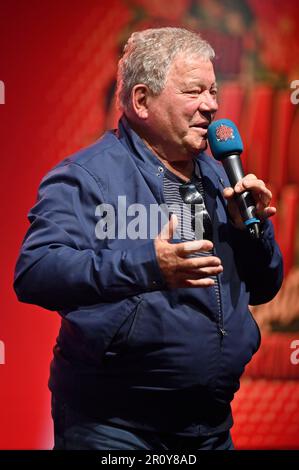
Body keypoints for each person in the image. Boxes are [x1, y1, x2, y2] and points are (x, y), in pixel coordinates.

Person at [14, 27, 283, 450]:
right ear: (142, 101)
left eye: (213, 92)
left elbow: (266, 288)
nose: (211, 106)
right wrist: (150, 266)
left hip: (210, 429)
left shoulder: (219, 177)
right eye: (194, 92)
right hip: (113, 430)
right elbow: (35, 271)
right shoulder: (88, 177)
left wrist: (252, 231)